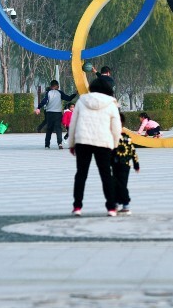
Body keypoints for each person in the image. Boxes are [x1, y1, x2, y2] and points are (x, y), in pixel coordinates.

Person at [67, 76, 122, 216]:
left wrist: (72, 143)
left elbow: (73, 123)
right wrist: (114, 145)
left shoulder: (81, 101)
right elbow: (116, 127)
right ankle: (111, 208)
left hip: (83, 141)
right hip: (103, 142)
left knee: (81, 174)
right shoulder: (111, 103)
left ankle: (77, 207)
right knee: (105, 175)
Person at [35, 79, 77, 150]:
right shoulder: (59, 93)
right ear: (57, 86)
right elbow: (68, 98)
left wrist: (38, 108)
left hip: (49, 114)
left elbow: (44, 101)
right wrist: (75, 94)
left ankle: (47, 145)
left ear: (51, 86)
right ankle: (60, 143)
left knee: (49, 129)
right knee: (58, 129)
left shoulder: (48, 93)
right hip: (57, 114)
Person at [112, 113, 140, 215]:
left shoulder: (126, 138)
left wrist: (136, 164)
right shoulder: (112, 137)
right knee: (115, 184)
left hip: (124, 165)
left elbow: (133, 151)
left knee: (121, 184)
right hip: (115, 165)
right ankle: (116, 203)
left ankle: (125, 204)